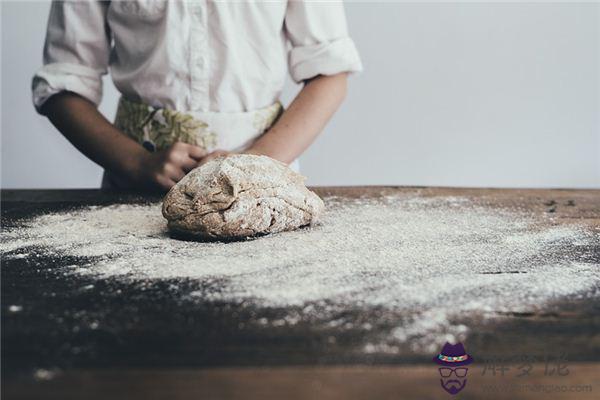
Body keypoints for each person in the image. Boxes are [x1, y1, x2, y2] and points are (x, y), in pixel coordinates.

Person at [32, 0, 363, 191]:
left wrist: (258, 162)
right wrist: (136, 163)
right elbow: (63, 83)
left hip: (265, 183)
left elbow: (329, 73)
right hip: (138, 187)